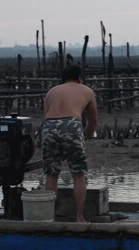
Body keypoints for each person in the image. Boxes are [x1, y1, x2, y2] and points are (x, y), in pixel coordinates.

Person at [41, 65, 98, 223]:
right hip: (71, 124)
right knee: (78, 174)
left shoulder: (51, 92)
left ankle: (49, 217)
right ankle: (79, 217)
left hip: (49, 126)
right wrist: (85, 136)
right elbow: (93, 121)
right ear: (80, 78)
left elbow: (46, 116)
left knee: (51, 174)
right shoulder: (86, 90)